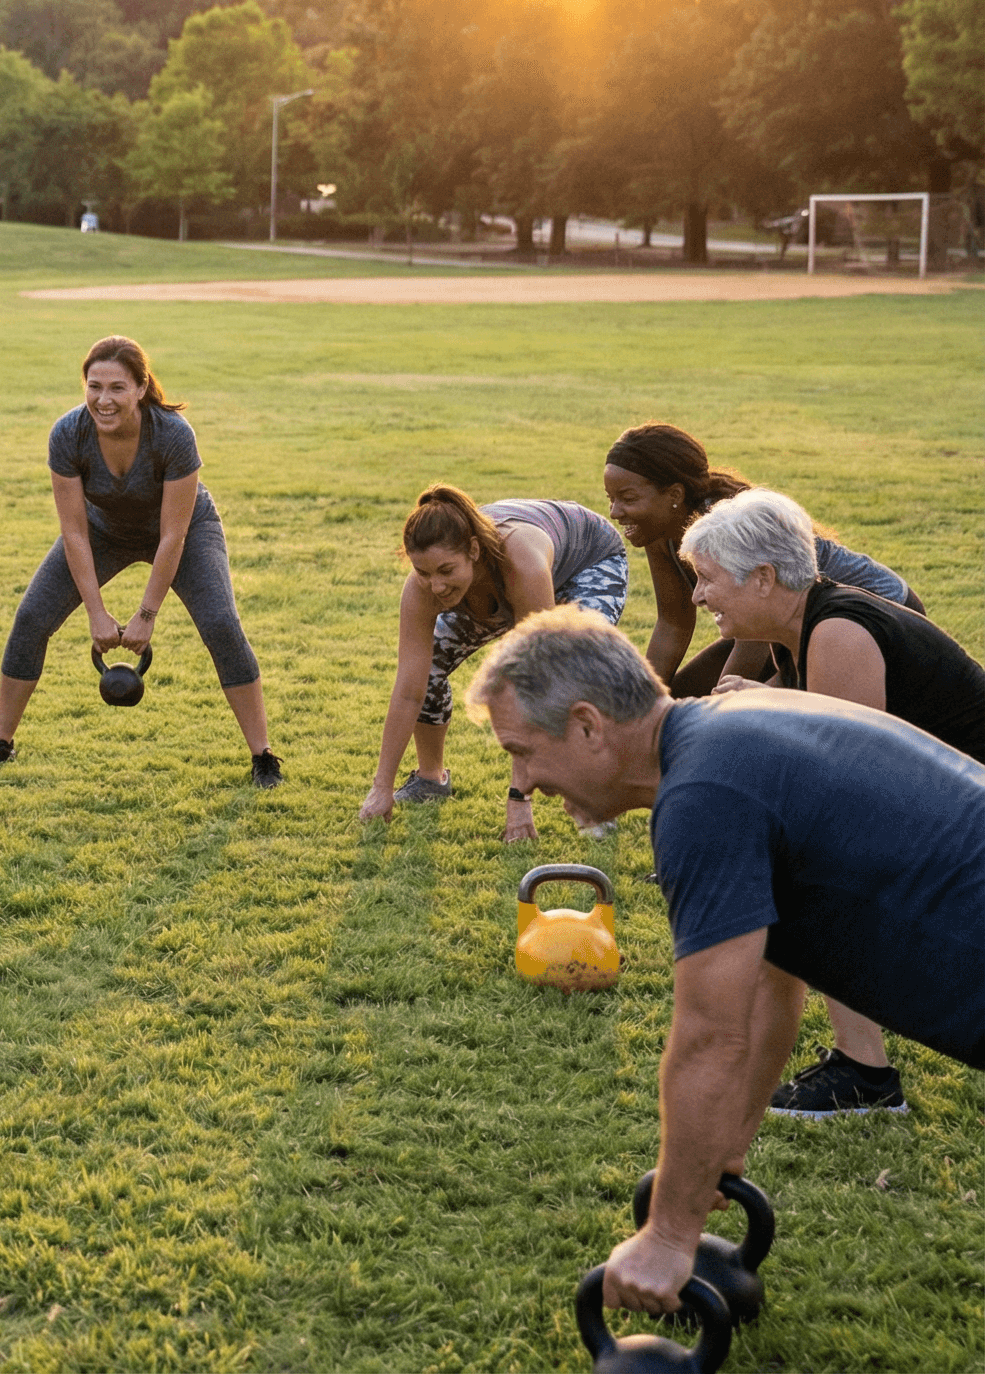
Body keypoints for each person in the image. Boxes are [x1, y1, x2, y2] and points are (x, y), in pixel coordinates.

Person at [462, 608, 985, 1317]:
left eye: (521, 751)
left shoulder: (705, 795)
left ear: (587, 726)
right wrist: (725, 1149)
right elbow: (775, 988)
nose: (524, 781)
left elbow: (711, 1035)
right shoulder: (727, 732)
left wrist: (671, 1235)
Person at [682, 488, 985, 1117]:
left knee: (807, 873)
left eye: (707, 579)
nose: (697, 596)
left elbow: (846, 783)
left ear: (763, 578)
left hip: (969, 832)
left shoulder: (840, 629)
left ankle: (863, 1075)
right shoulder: (799, 629)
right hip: (956, 815)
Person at [0, 336, 279, 784]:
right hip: (102, 530)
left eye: (116, 388)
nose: (103, 399)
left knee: (221, 624)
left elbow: (173, 534)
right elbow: (74, 531)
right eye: (94, 386)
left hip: (182, 531)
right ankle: (0, 741)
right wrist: (96, 612)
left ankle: (263, 756)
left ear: (140, 388)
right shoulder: (68, 434)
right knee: (33, 617)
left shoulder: (172, 435)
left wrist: (146, 615)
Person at [359, 486, 626, 841]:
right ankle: (430, 778)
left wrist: (519, 801)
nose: (435, 586)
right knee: (431, 662)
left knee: (573, 673)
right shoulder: (424, 587)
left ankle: (597, 795)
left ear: (473, 550)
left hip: (586, 560)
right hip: (490, 584)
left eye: (445, 570)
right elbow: (409, 688)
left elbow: (530, 683)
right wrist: (382, 787)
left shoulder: (521, 565)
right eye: (423, 572)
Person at [599, 421, 915, 696]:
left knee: (736, 714)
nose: (615, 512)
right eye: (611, 499)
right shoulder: (662, 529)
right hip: (782, 631)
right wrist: (640, 699)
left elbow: (755, 640)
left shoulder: (729, 526)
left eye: (628, 499)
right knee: (680, 700)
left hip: (874, 616)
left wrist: (715, 711)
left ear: (674, 496)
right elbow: (674, 624)